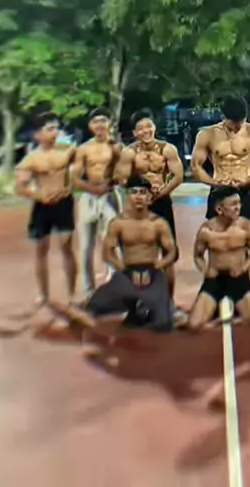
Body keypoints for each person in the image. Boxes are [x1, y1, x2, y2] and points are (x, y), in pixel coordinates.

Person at [70, 177, 176, 332]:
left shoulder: (159, 223)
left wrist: (156, 267)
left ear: (149, 197)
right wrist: (123, 269)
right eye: (134, 192)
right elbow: (107, 253)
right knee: (94, 307)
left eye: (142, 192)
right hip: (127, 271)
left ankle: (145, 307)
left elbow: (171, 252)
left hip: (152, 273)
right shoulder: (118, 223)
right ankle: (135, 305)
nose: (138, 197)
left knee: (163, 324)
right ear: (127, 196)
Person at [114, 109, 183, 299]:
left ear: (154, 127)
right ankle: (139, 300)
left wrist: (163, 191)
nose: (146, 131)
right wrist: (140, 192)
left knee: (168, 253)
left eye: (148, 126)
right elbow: (122, 179)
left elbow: (178, 176)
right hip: (139, 206)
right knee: (137, 253)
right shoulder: (129, 153)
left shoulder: (167, 149)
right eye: (141, 128)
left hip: (162, 202)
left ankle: (168, 301)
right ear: (135, 132)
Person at [14, 112, 77, 307]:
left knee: (66, 246)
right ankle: (43, 294)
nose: (55, 132)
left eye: (56, 128)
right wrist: (38, 195)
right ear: (37, 134)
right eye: (50, 129)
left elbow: (85, 166)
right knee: (41, 249)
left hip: (64, 202)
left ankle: (72, 294)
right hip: (43, 206)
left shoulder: (68, 151)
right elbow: (20, 187)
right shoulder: (31, 159)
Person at [188, 186, 250, 329]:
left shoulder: (247, 227)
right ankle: (216, 306)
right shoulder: (206, 230)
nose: (238, 208)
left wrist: (244, 268)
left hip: (237, 278)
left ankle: (236, 304)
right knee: (194, 324)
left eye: (239, 203)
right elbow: (198, 256)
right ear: (219, 209)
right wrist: (205, 271)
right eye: (233, 204)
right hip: (215, 279)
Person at [191, 95, 250, 221]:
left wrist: (248, 179)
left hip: (244, 188)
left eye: (241, 122)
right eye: (234, 123)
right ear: (224, 117)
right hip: (219, 189)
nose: (238, 127)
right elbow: (195, 166)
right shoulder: (208, 134)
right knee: (215, 230)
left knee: (247, 230)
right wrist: (213, 182)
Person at [73, 108, 123, 299]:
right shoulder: (84, 149)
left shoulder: (117, 147)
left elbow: (123, 173)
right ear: (90, 126)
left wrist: (110, 182)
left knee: (113, 242)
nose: (100, 125)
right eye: (95, 121)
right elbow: (75, 177)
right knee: (85, 246)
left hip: (110, 194)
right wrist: (91, 189)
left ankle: (116, 286)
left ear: (109, 123)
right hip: (88, 196)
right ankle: (88, 290)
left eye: (103, 120)